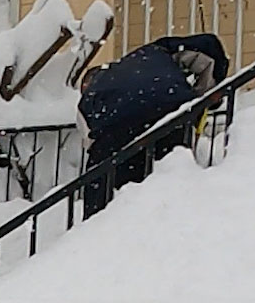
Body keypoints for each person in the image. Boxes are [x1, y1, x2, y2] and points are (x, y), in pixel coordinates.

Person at [79, 33, 230, 213]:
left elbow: (89, 141)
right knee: (170, 171)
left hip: (117, 132)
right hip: (170, 107)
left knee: (104, 179)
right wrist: (205, 94)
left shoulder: (88, 99)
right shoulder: (152, 53)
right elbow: (209, 48)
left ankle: (99, 219)